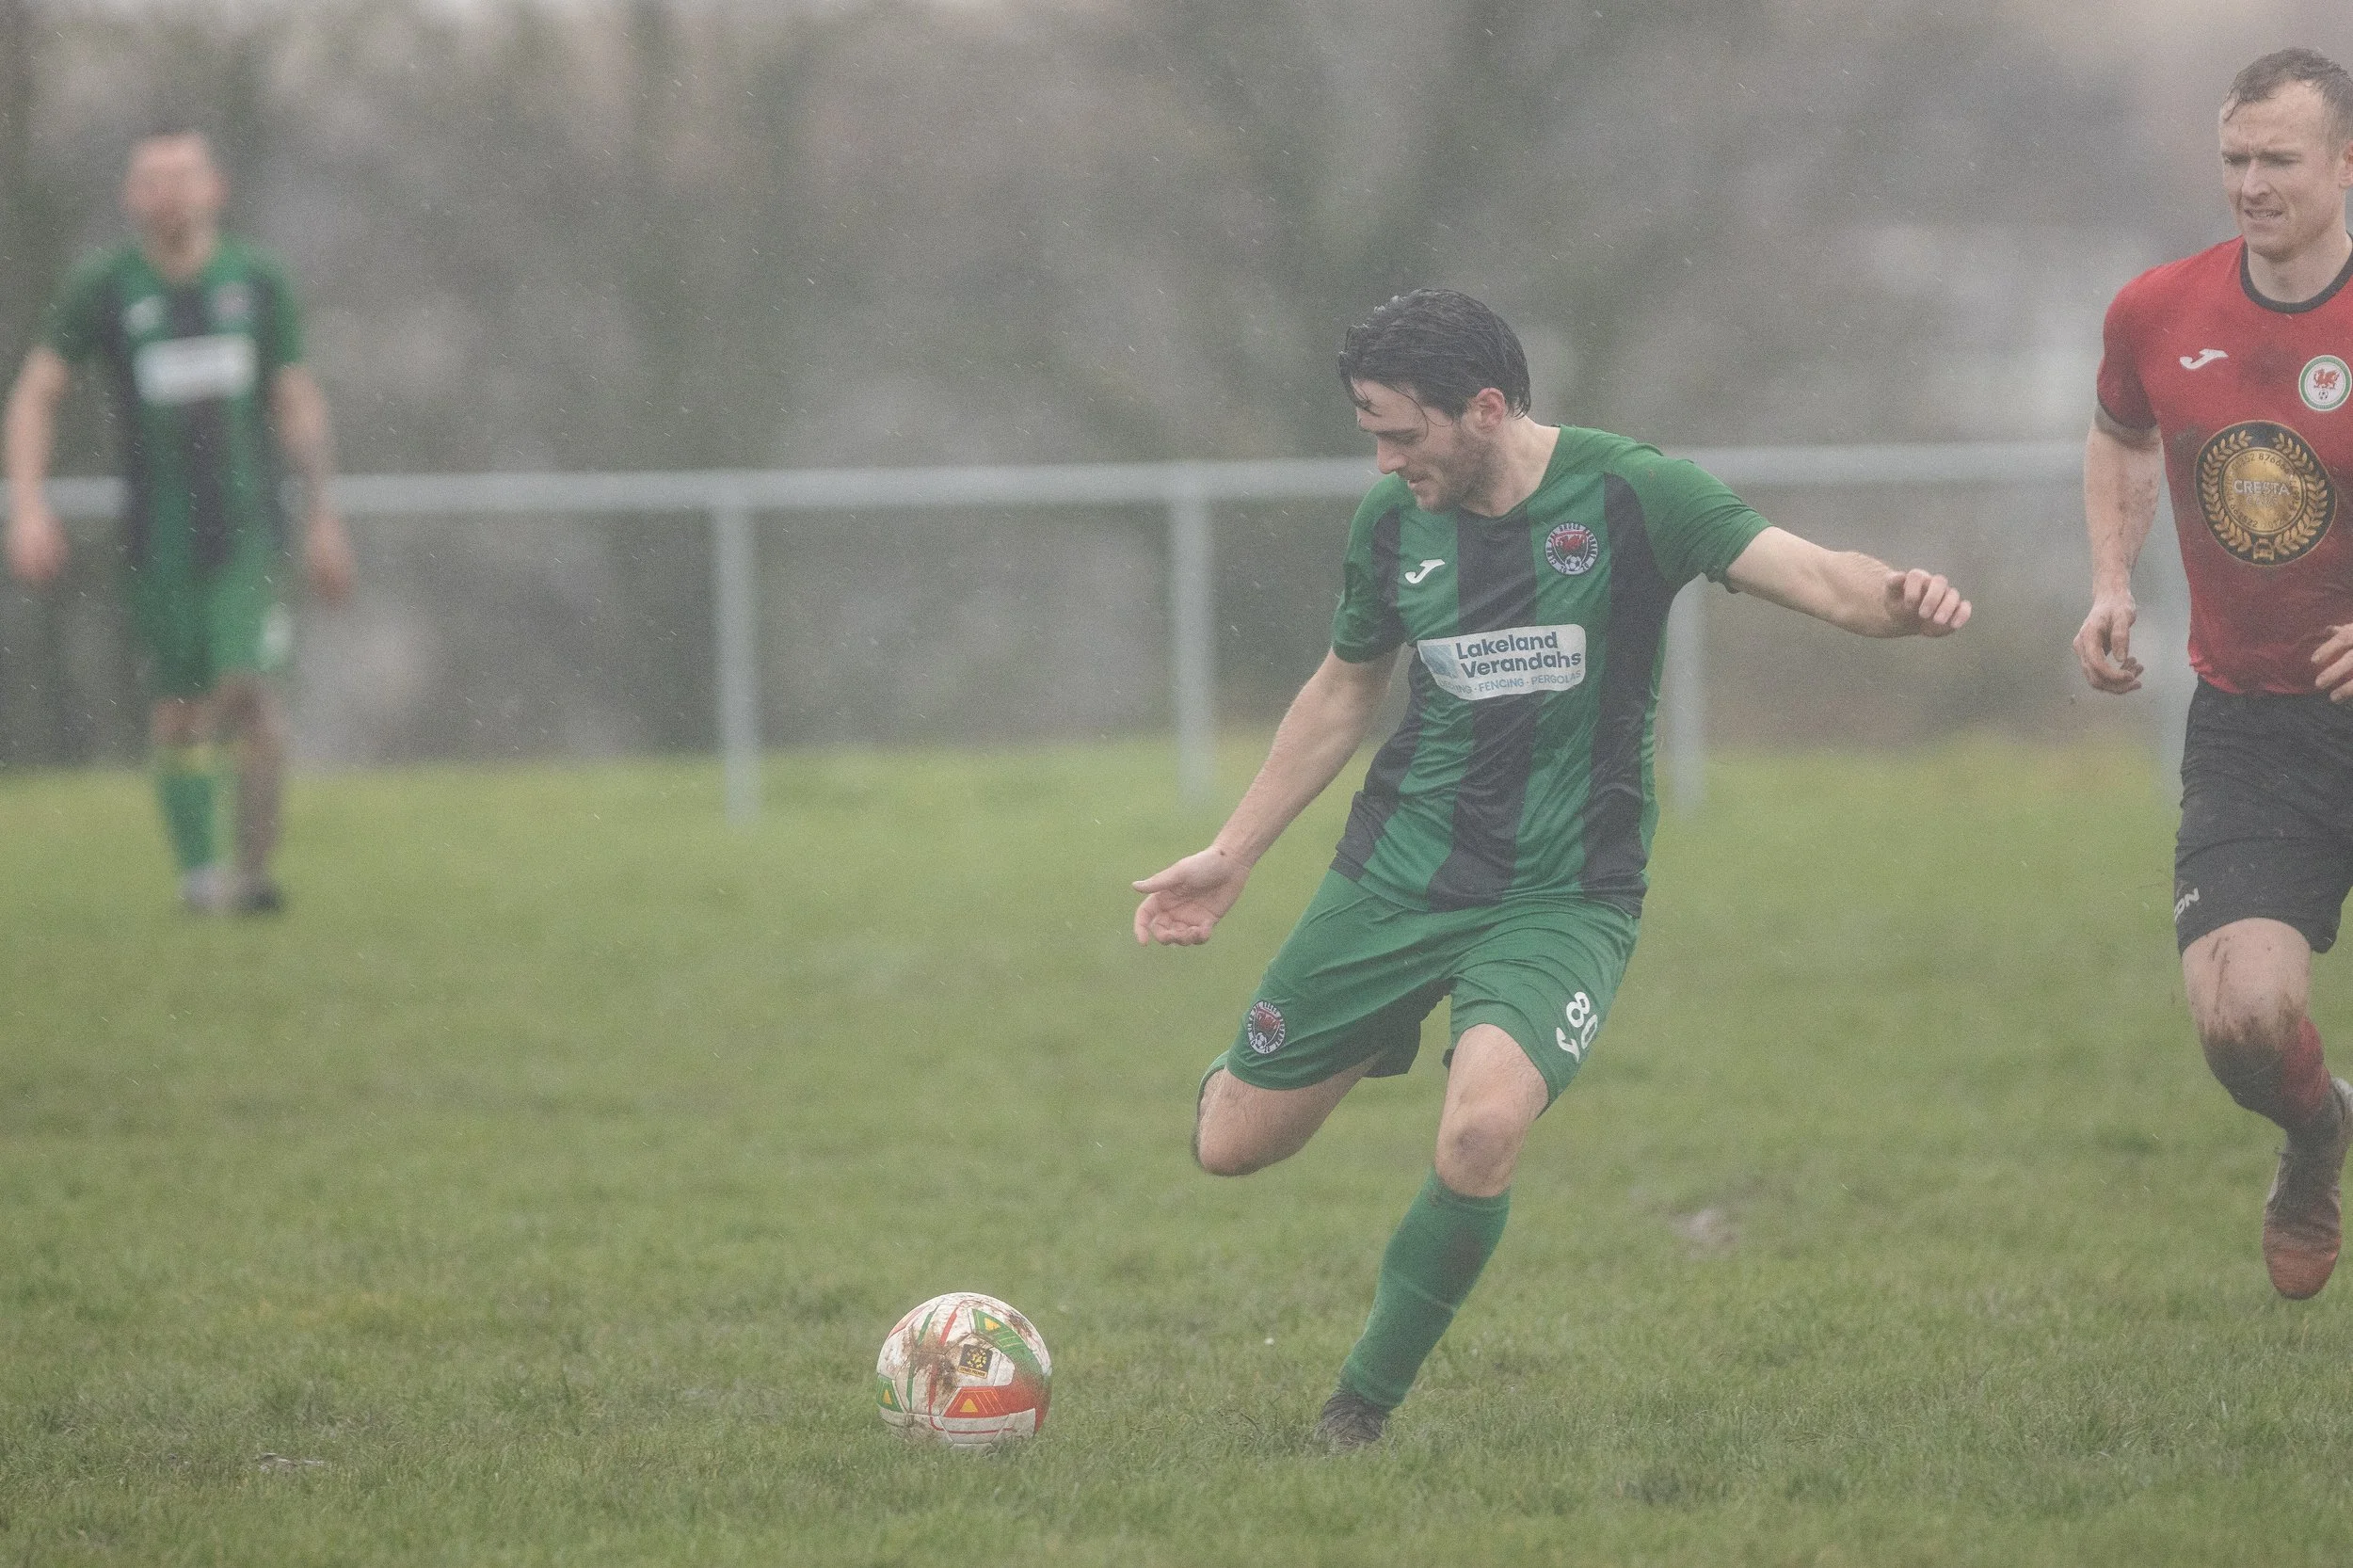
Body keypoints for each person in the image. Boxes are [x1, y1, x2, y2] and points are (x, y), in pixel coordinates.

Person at [1132, 288, 1971, 1448]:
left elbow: (1824, 577)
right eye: (1368, 431)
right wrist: (1230, 854)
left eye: (1397, 431)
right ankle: (1375, 1026)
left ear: (1483, 408)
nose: (1381, 458)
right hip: (1401, 872)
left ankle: (1355, 1411)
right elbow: (1343, 688)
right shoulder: (1391, 523)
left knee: (1478, 1131)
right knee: (1232, 1146)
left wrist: (1902, 600)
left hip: (1564, 893)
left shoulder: (1636, 492)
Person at [2074, 48, 2353, 1301]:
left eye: (2278, 159)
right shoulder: (2158, 312)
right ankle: (2317, 1134)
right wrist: (2114, 581)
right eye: (2234, 159)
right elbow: (2124, 430)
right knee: (2240, 1022)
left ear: (2344, 164)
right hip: (2255, 723)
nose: (2250, 183)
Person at [5, 127, 352, 914]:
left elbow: (294, 397)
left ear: (214, 188)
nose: (168, 192)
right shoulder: (107, 288)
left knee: (251, 692)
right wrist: (27, 504)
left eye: (183, 175)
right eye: (152, 179)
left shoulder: (257, 282)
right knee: (180, 713)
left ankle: (254, 877)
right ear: (133, 196)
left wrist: (325, 512)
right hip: (156, 538)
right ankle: (200, 876)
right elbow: (36, 391)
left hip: (249, 533)